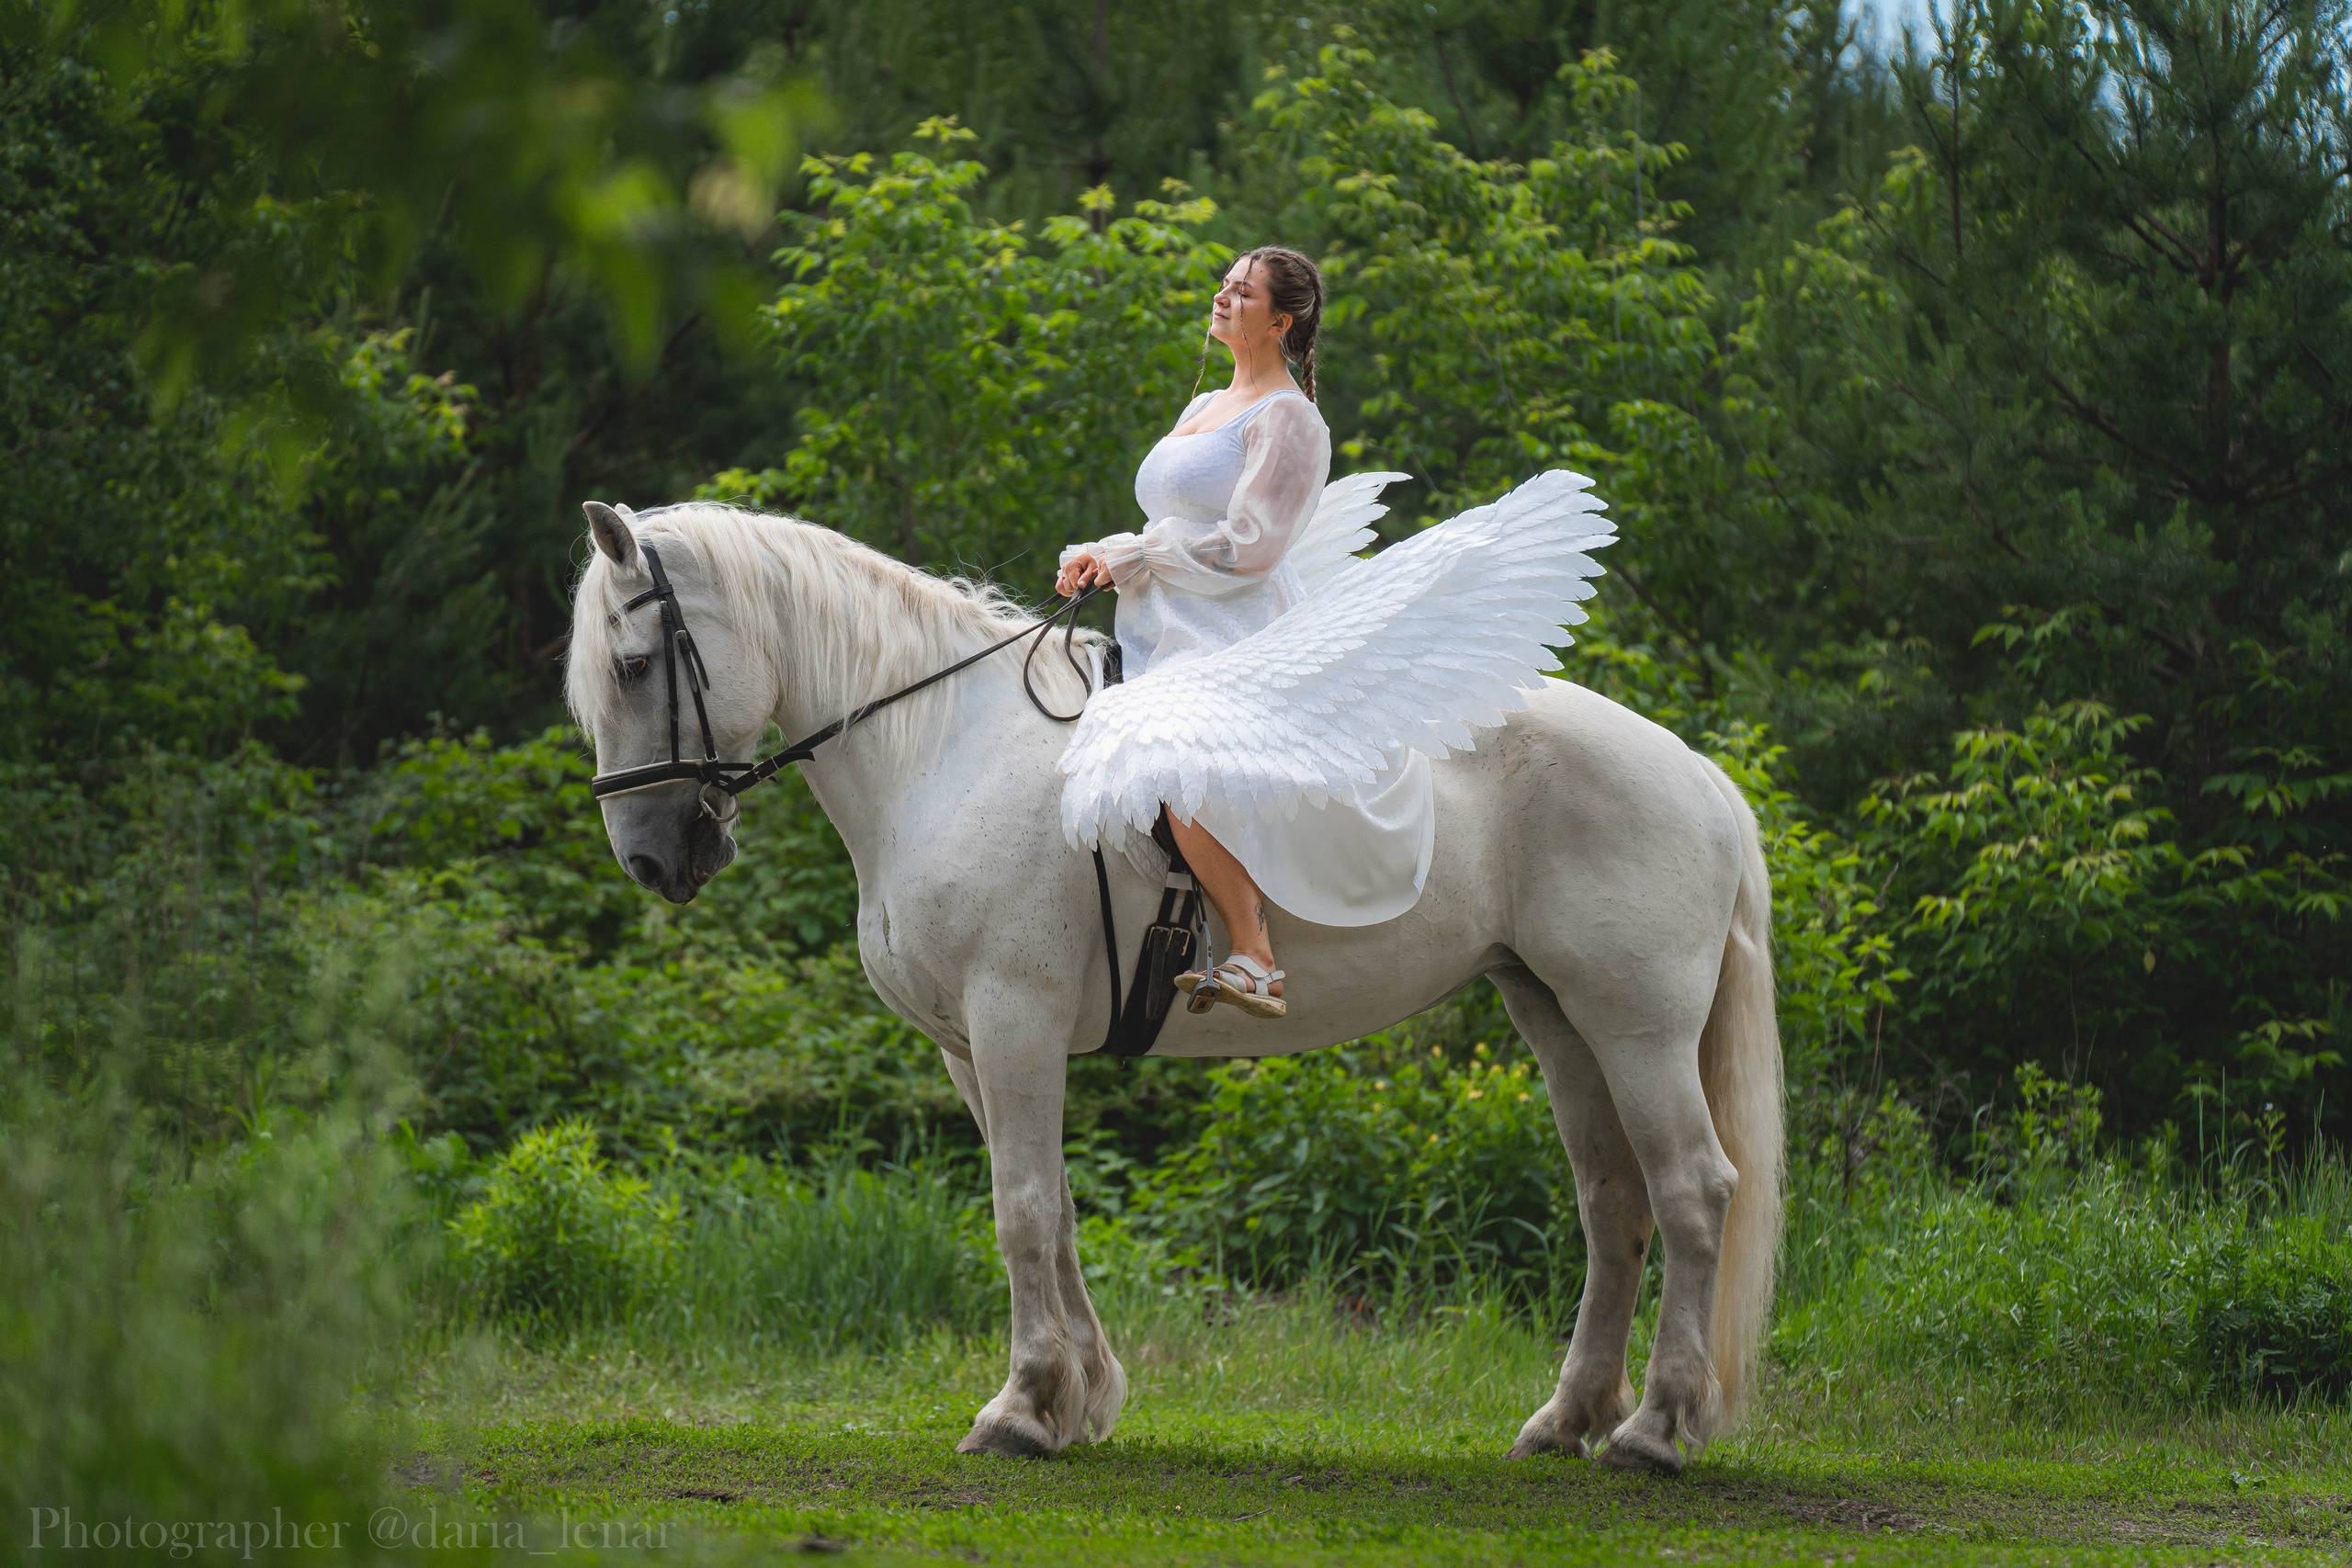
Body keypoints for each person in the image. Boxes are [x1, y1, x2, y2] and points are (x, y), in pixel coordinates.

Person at [1055, 247, 1617, 1022]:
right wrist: (1106, 554)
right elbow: (1174, 523)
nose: (1221, 295)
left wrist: (1133, 555)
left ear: (1280, 320)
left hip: (1234, 633)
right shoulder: (1203, 408)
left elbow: (1250, 547)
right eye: (1224, 283)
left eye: (1241, 291)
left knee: (1170, 758)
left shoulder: (1289, 419)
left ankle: (1254, 954)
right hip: (1164, 621)